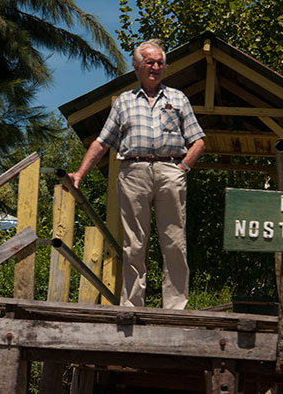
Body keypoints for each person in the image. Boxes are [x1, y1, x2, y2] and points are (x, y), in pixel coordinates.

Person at [69, 39, 205, 309]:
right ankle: (132, 306)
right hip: (133, 172)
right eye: (149, 62)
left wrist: (181, 169)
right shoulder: (124, 102)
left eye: (160, 63)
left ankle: (175, 308)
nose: (155, 67)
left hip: (170, 170)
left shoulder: (178, 98)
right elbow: (101, 142)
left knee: (174, 242)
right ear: (137, 67)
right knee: (134, 243)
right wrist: (79, 174)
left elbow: (198, 141)